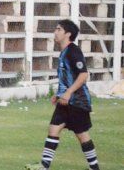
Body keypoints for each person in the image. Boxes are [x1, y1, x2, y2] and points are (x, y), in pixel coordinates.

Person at [25, 20, 100, 170]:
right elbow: (68, 77)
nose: (55, 32)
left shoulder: (73, 51)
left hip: (78, 101)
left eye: (59, 29)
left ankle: (94, 168)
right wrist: (60, 94)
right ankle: (44, 166)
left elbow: (83, 75)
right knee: (53, 129)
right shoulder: (64, 52)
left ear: (68, 34)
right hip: (65, 101)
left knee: (82, 134)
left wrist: (68, 92)